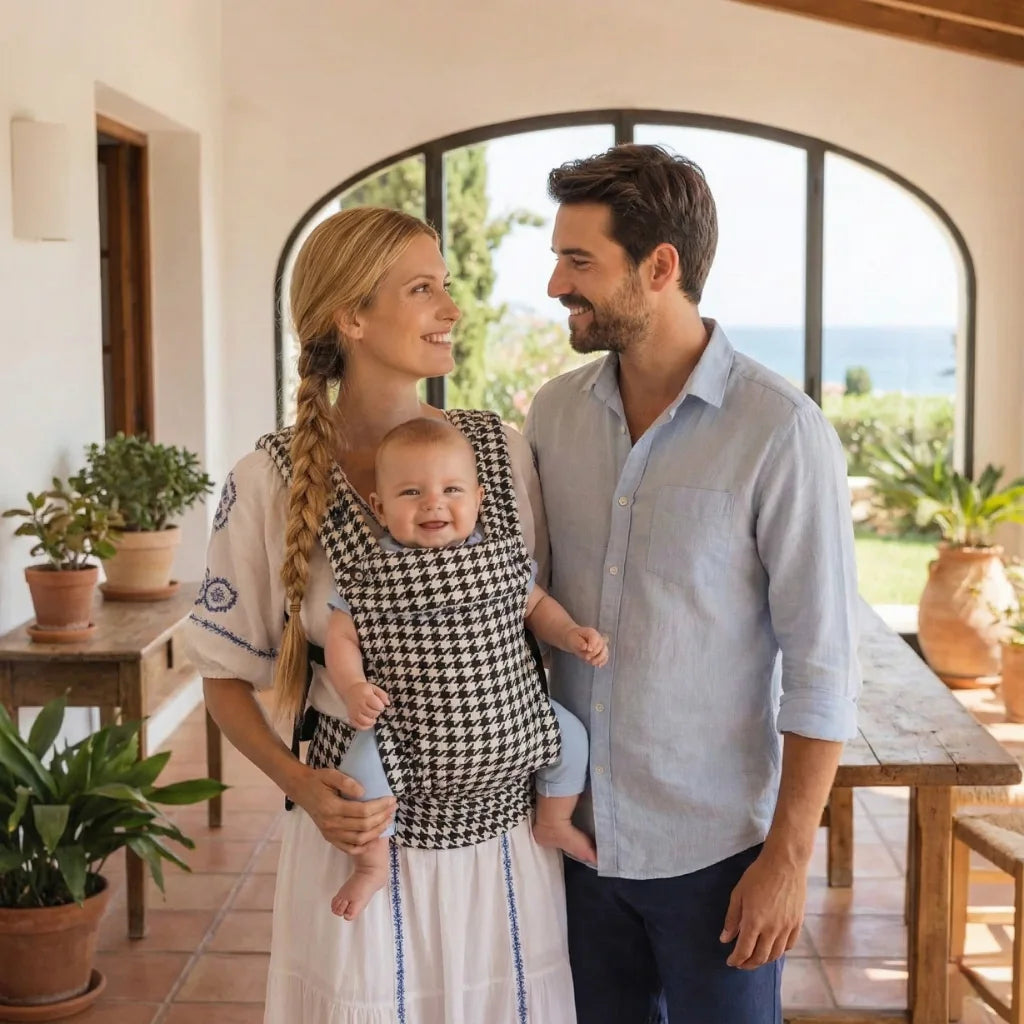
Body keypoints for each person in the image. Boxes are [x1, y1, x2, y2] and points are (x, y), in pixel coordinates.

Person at [183, 206, 578, 1023]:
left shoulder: (498, 453)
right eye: (422, 289)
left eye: (447, 286)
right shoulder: (268, 480)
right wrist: (305, 788)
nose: (451, 308)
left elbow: (528, 621)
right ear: (352, 318)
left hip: (502, 846)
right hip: (357, 840)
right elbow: (224, 679)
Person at [523, 143, 862, 1024]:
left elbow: (822, 664)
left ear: (660, 267)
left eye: (579, 260)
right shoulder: (553, 414)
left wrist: (786, 861)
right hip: (574, 838)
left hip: (715, 856)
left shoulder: (780, 431)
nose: (557, 283)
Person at [324, 415, 605, 921]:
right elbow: (341, 636)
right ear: (379, 508)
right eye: (411, 492)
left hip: (511, 711)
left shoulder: (500, 559)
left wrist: (570, 635)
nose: (434, 503)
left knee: (573, 738)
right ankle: (369, 864)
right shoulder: (372, 573)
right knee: (361, 774)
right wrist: (352, 687)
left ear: (478, 499)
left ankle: (555, 820)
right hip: (405, 726)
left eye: (451, 489)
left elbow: (537, 607)